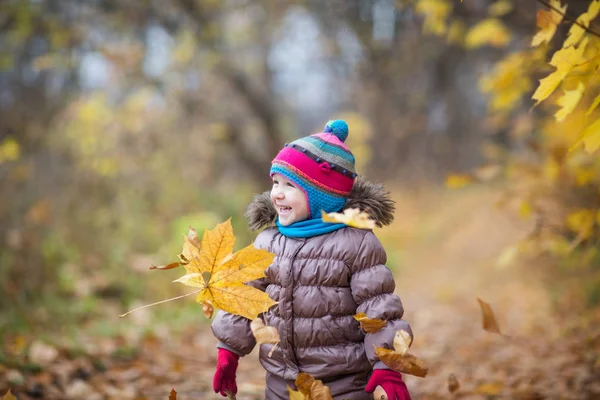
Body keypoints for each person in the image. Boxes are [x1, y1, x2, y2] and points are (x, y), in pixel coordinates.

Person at [211, 119, 413, 399]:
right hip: (281, 381)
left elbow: (379, 309)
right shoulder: (267, 241)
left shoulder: (355, 244)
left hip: (344, 383)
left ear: (323, 197)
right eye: (275, 182)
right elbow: (243, 296)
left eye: (290, 185)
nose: (277, 193)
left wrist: (387, 362)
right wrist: (228, 351)